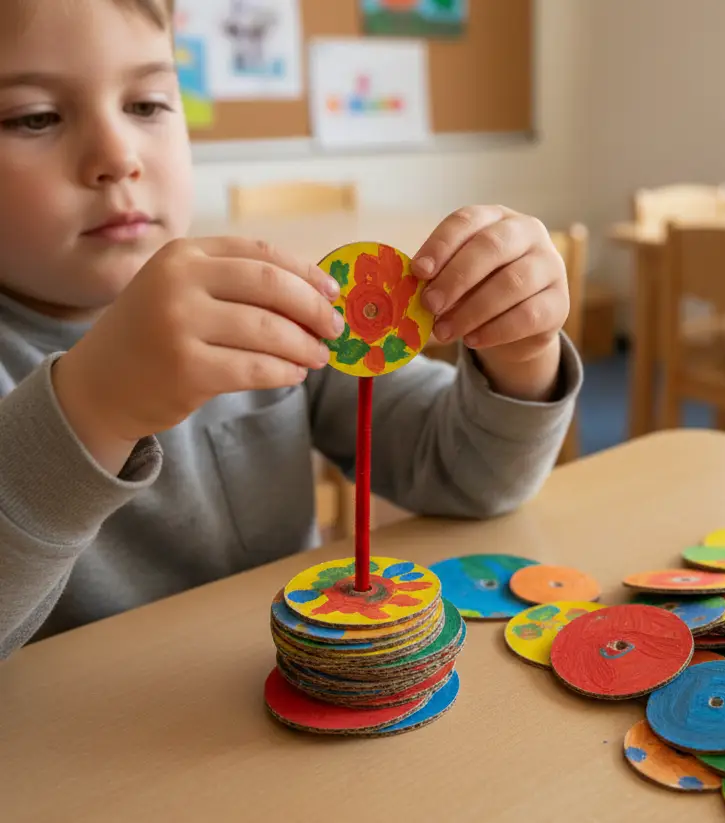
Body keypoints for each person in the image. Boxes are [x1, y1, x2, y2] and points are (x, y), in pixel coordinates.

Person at [0, 0, 580, 658]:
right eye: (33, 116)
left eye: (149, 104)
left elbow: (471, 473)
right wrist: (92, 407)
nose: (116, 155)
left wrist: (521, 355)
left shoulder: (273, 305)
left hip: (310, 696)